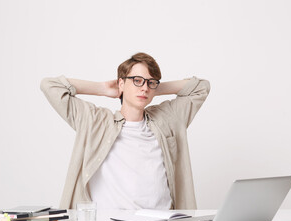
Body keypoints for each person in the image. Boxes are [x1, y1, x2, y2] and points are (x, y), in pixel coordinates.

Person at [40, 52, 210, 210]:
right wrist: (103, 88)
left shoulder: (167, 119)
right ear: (121, 83)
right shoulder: (95, 121)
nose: (144, 88)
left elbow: (201, 87)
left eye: (150, 82)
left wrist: (154, 89)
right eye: (137, 80)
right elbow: (50, 86)